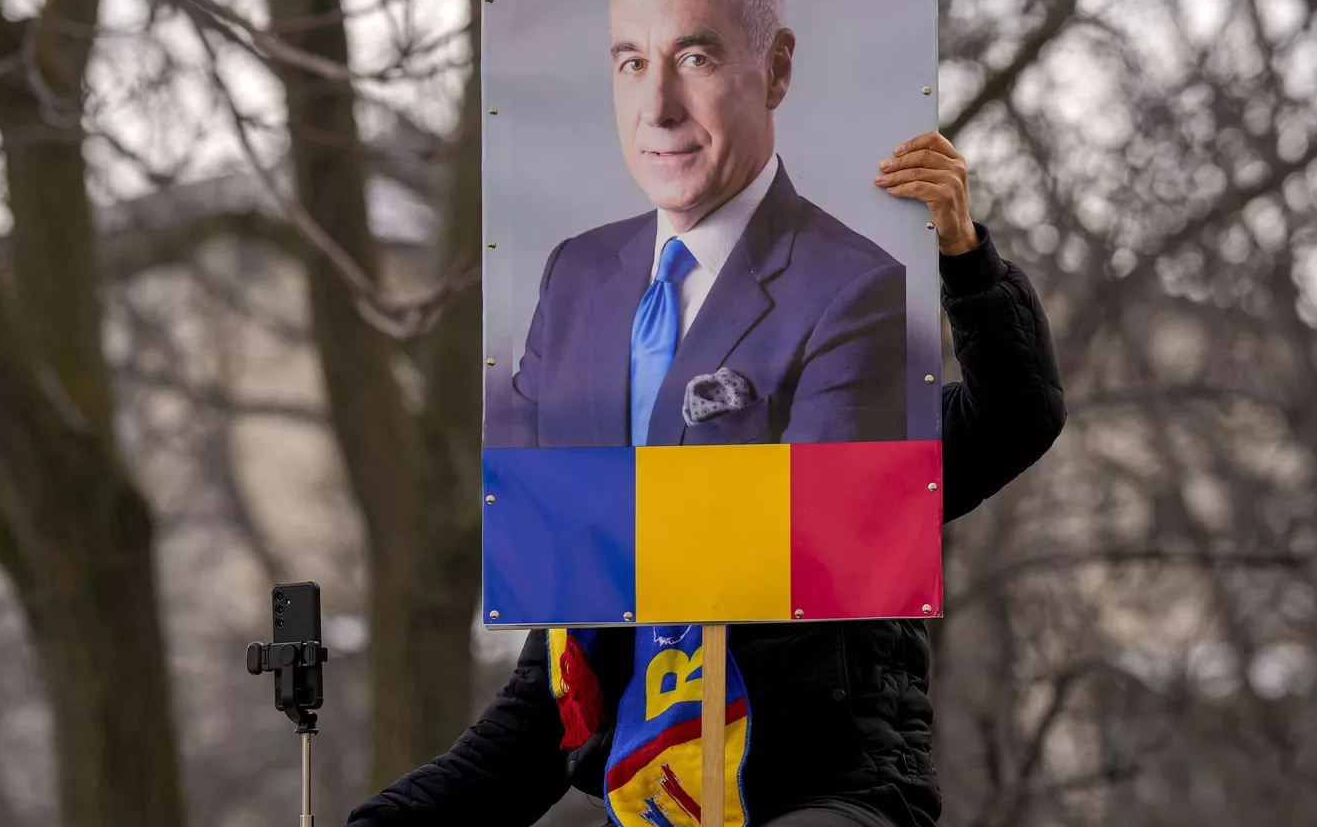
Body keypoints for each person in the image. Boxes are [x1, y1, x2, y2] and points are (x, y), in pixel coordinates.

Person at [348, 129, 1068, 825]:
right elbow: (524, 742)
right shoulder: (601, 528)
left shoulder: (852, 442)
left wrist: (966, 258)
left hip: (832, 796)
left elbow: (1017, 414)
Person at [494, 0, 907, 450]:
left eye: (694, 58)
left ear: (776, 70)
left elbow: (816, 534)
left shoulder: (855, 295)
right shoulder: (572, 275)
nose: (658, 108)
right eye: (634, 64)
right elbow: (521, 505)